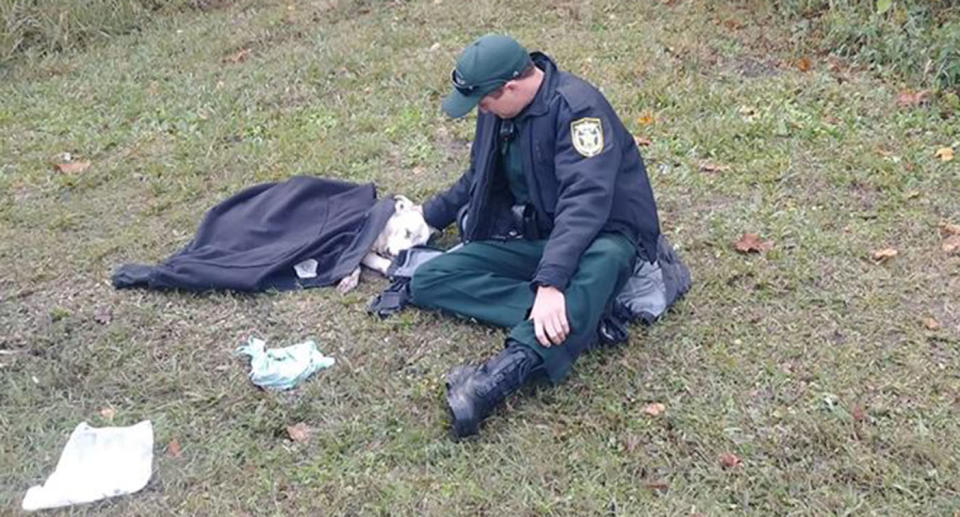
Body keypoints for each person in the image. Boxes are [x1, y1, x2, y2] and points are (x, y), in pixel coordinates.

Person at [409, 34, 661, 437]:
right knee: (428, 280)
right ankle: (580, 317)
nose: (481, 111)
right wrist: (429, 218)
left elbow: (586, 203)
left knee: (606, 259)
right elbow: (479, 175)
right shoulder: (498, 110)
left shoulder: (579, 111)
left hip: (604, 234)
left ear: (510, 88)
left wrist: (550, 283)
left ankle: (497, 380)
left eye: (484, 102)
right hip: (540, 235)